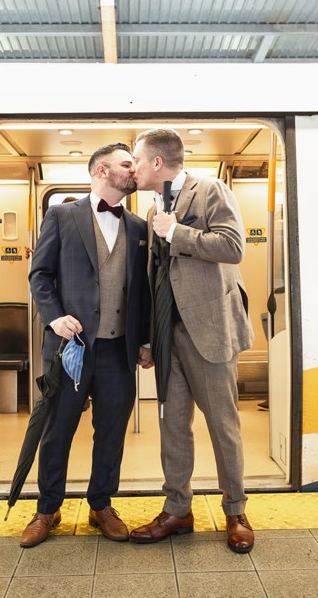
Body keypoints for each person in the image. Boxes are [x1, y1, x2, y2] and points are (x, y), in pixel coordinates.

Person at [128, 128, 256, 554]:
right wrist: (148, 338)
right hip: (169, 335)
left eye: (137, 160)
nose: (134, 167)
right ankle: (177, 509)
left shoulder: (212, 190)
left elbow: (233, 247)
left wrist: (177, 232)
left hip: (210, 330)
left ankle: (235, 511)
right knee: (172, 426)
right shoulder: (151, 211)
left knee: (223, 426)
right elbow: (154, 277)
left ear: (157, 164)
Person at [23, 143, 151, 547]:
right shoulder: (61, 215)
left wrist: (145, 341)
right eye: (126, 164)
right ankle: (47, 508)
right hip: (71, 347)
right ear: (100, 171)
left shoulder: (137, 227)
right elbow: (39, 275)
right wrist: (54, 316)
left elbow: (143, 292)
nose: (134, 170)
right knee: (57, 430)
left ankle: (101, 504)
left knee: (111, 431)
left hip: (118, 350)